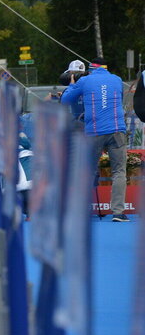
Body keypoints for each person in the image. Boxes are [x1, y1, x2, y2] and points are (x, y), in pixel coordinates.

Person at [61, 57, 130, 222]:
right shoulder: (117, 79)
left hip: (94, 131)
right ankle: (118, 212)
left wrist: (71, 84)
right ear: (106, 68)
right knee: (119, 171)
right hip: (117, 129)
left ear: (91, 69)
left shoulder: (85, 81)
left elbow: (65, 100)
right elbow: (116, 101)